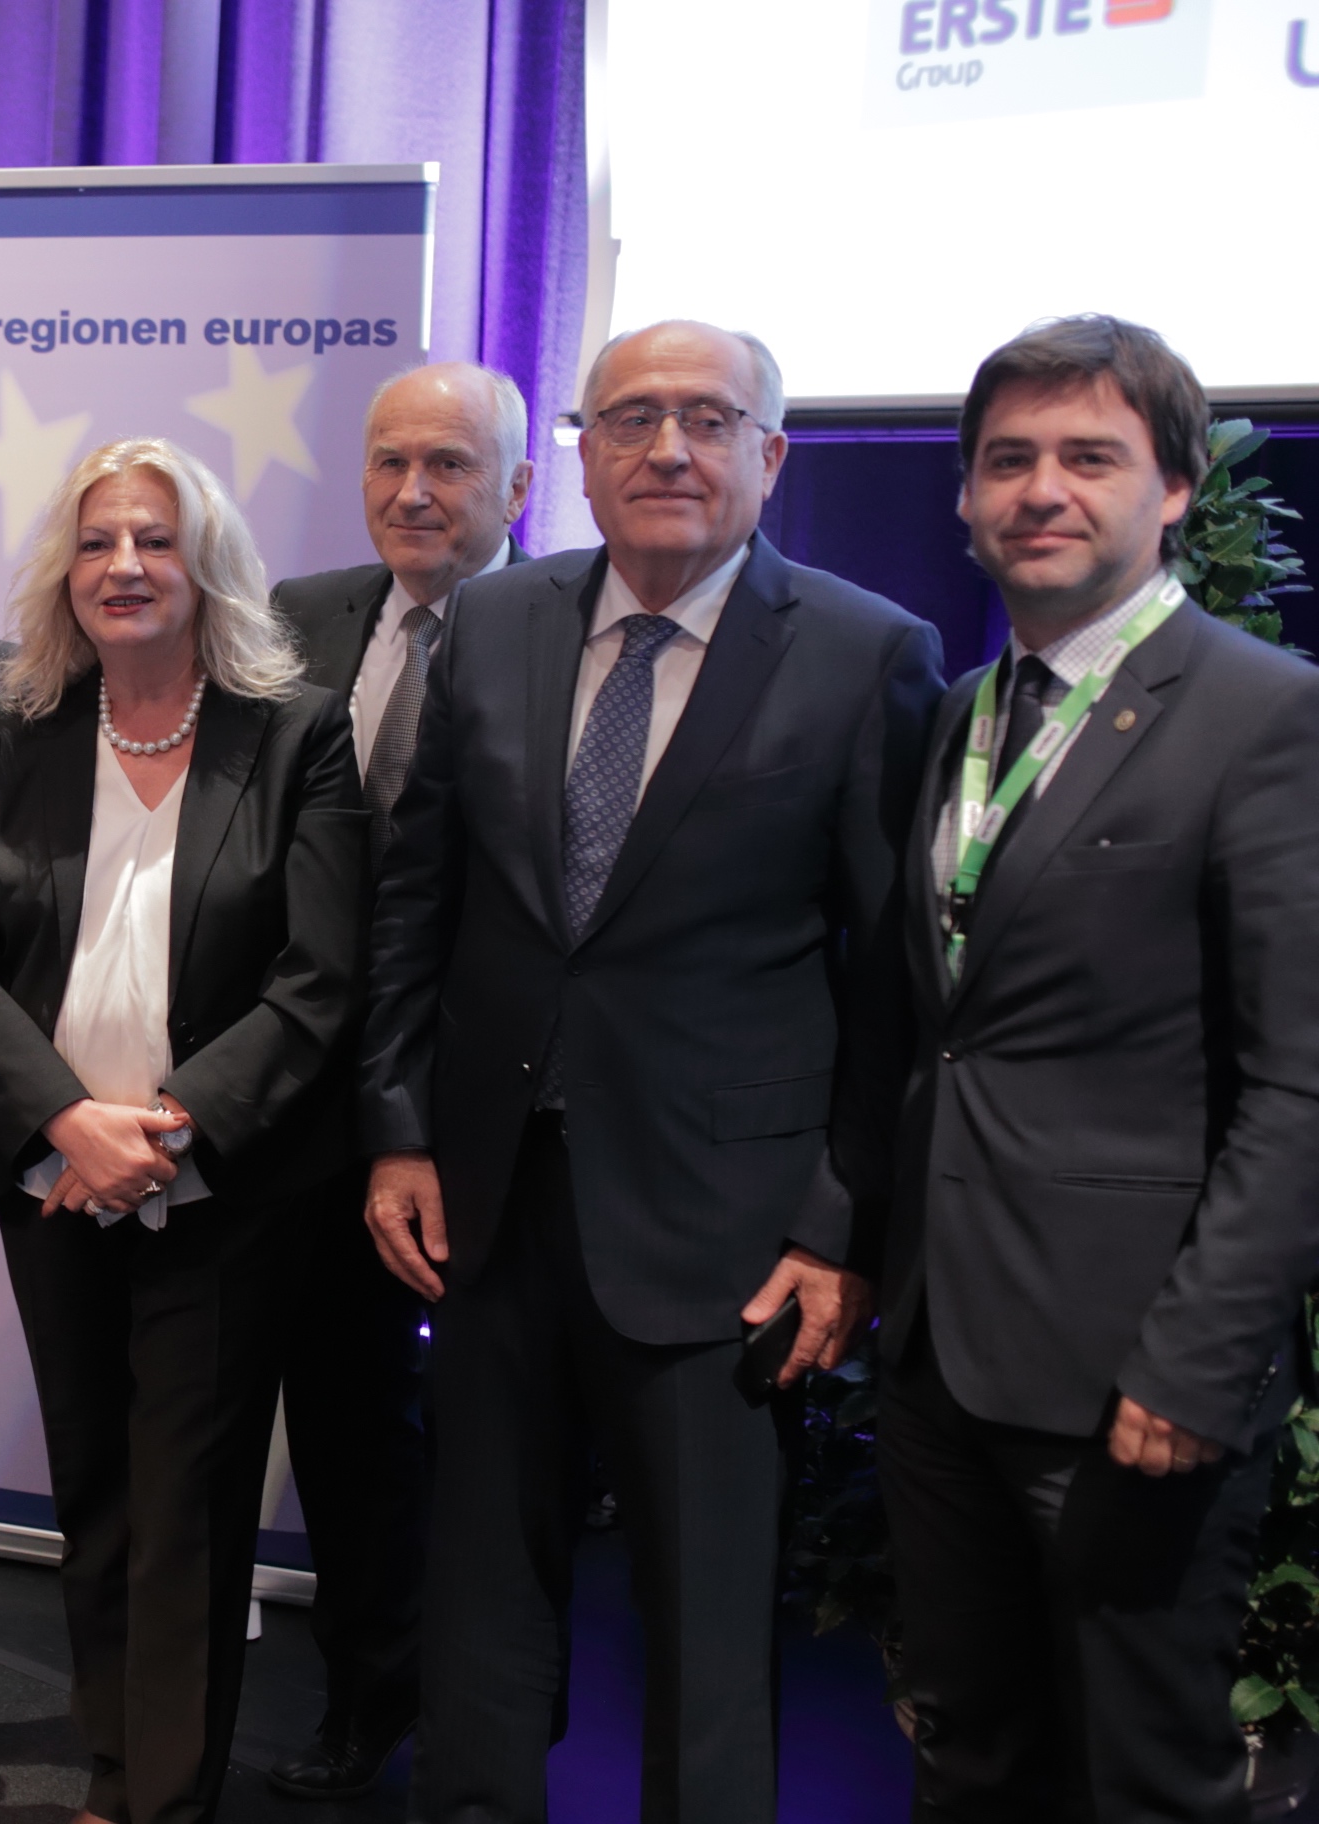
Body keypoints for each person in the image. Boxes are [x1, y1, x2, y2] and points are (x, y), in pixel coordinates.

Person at [359, 319, 944, 1821]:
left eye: (705, 418)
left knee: (703, 1613)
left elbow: (889, 979)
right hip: (487, 1205)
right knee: (481, 1584)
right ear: (582, 454)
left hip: (725, 1227)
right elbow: (418, 900)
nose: (667, 449)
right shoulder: (493, 625)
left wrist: (839, 1219)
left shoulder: (870, 653)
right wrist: (400, 1128)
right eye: (629, 419)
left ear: (771, 455)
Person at [877, 315, 1319, 1821]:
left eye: (1089, 457)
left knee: (1141, 1780)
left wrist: (1197, 1362)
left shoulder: (1269, 718)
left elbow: (1302, 1084)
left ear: (1177, 488)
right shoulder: (966, 714)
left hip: (1135, 1377)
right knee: (972, 1754)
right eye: (1007, 461)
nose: (1040, 490)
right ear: (965, 498)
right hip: (944, 1357)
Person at [0, 437, 365, 1824]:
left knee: (188, 1509)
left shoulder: (299, 734)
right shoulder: (14, 727)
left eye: (156, 541)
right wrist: (69, 1124)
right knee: (97, 1493)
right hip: (59, 1181)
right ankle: (115, 1772)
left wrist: (165, 1136)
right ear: (67, 568)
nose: (125, 565)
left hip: (222, 1191)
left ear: (207, 569)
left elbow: (320, 981)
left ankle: (163, 1801)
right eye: (101, 540)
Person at [262, 360, 532, 1800]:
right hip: (302, 1105)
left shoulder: (567, 634)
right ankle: (368, 1702)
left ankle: (492, 1718)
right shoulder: (296, 620)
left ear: (516, 490)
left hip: (487, 1112)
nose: (414, 493)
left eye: (448, 464)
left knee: (494, 1435)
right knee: (350, 1424)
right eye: (387, 463)